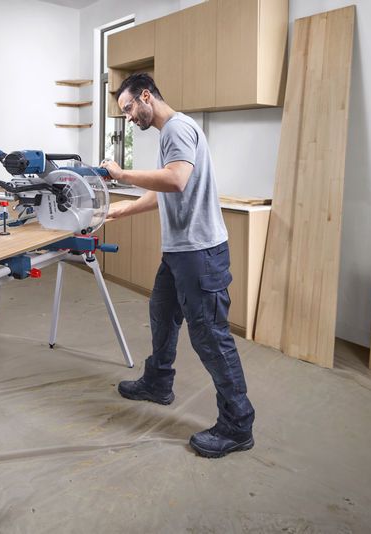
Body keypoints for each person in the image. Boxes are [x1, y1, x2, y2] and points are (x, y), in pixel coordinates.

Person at [100, 73, 255, 458]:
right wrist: (125, 209)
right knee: (163, 311)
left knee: (209, 336)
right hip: (179, 252)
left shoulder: (177, 129)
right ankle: (158, 382)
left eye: (130, 107)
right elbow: (163, 193)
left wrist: (121, 174)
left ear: (146, 96)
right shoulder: (172, 132)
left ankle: (238, 425)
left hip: (200, 253)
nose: (129, 117)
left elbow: (177, 180)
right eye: (124, 112)